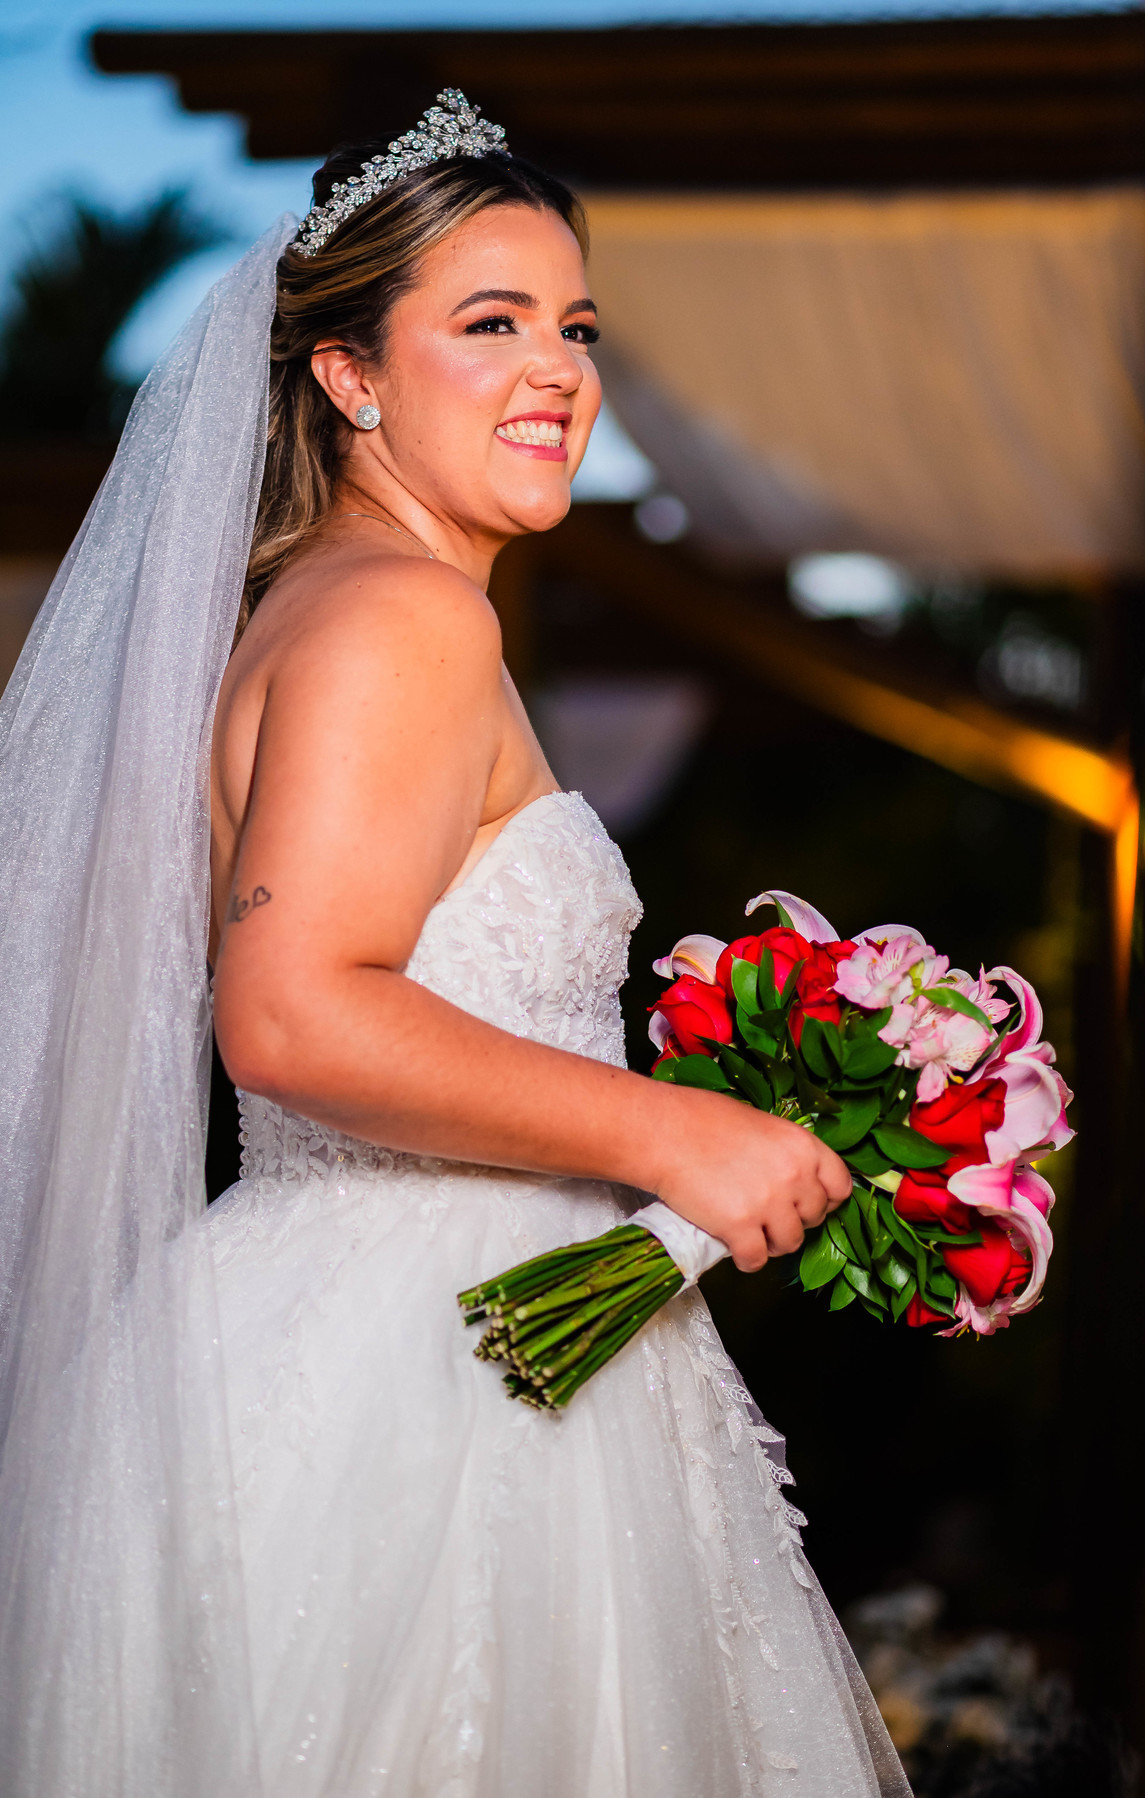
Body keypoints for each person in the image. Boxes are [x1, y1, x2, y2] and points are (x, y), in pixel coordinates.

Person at [0, 92, 908, 1797]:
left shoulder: (336, 598)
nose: (556, 368)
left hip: (387, 1329)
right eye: (487, 325)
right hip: (424, 1376)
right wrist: (675, 1129)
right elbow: (290, 1012)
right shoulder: (402, 616)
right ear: (349, 376)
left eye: (573, 326)